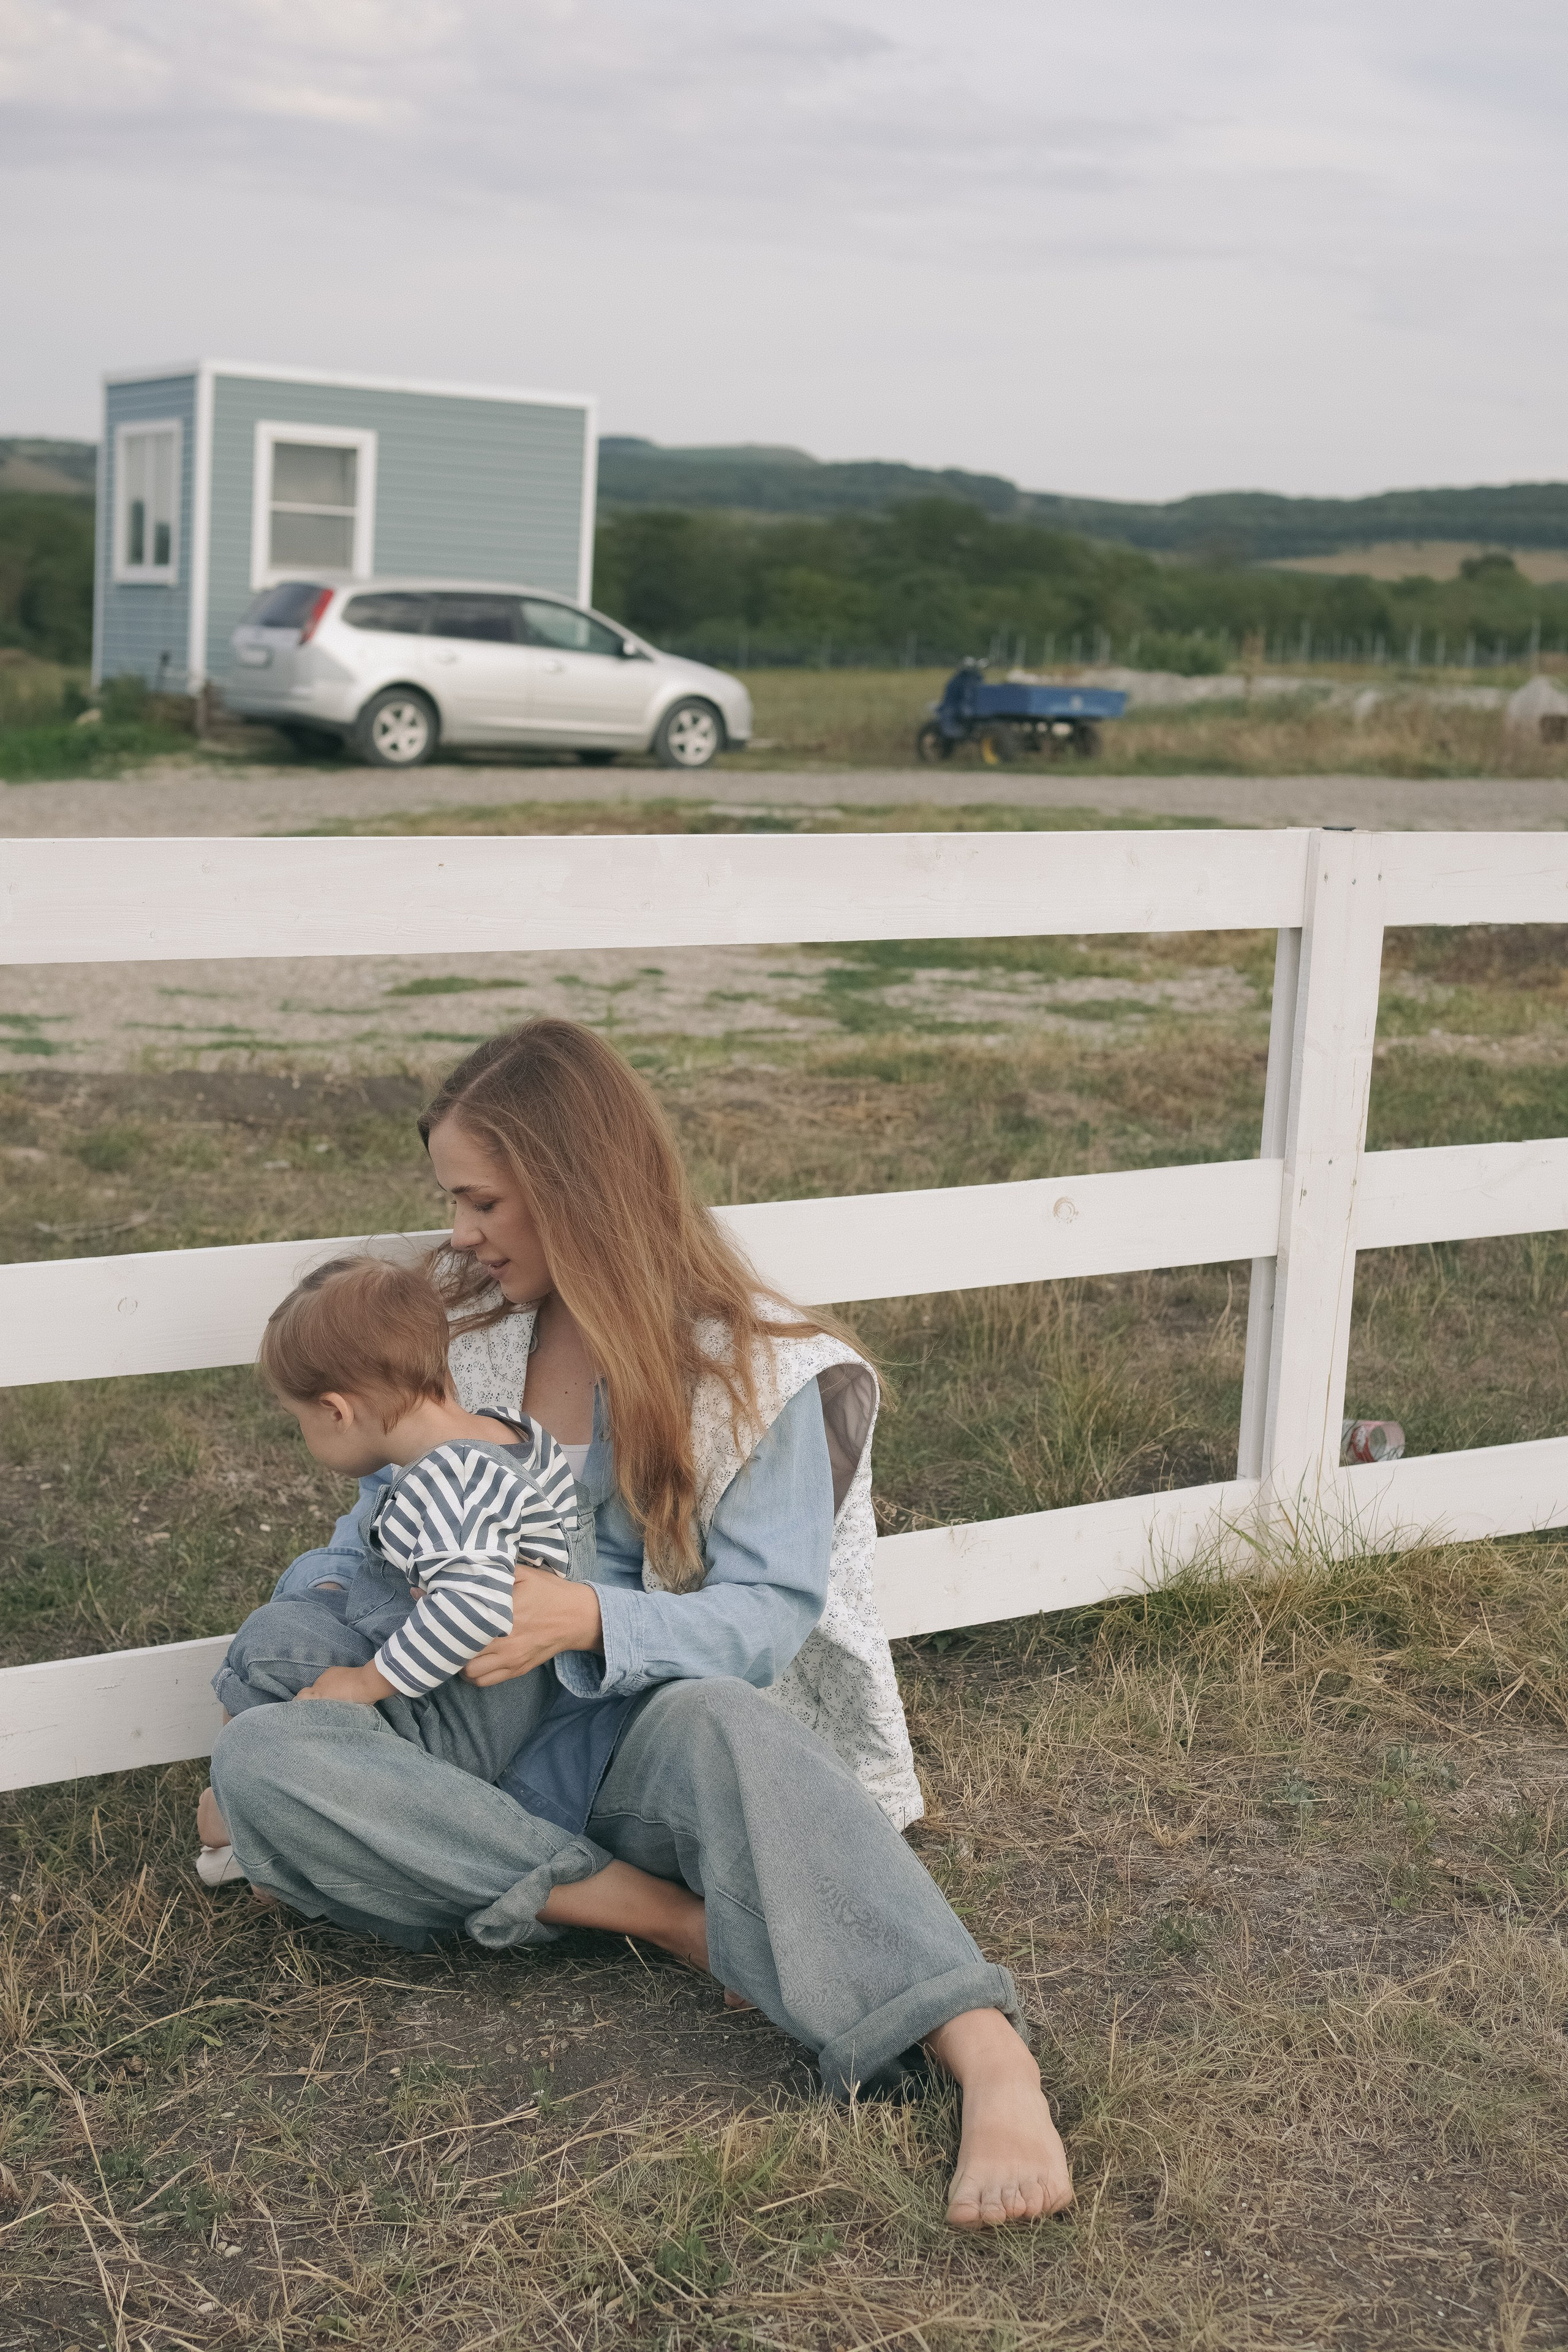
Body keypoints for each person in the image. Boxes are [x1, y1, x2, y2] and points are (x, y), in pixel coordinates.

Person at [202, 1018, 1073, 2229]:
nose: (458, 1234)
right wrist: (296, 1682)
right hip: (449, 1726)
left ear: (571, 1188)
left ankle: (983, 2054)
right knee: (262, 1754)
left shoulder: (765, 1369)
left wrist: (581, 1615)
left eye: (481, 1202)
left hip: (619, 1741)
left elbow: (763, 1623)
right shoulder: (465, 1332)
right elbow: (368, 1534)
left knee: (722, 1721)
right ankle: (658, 1916)